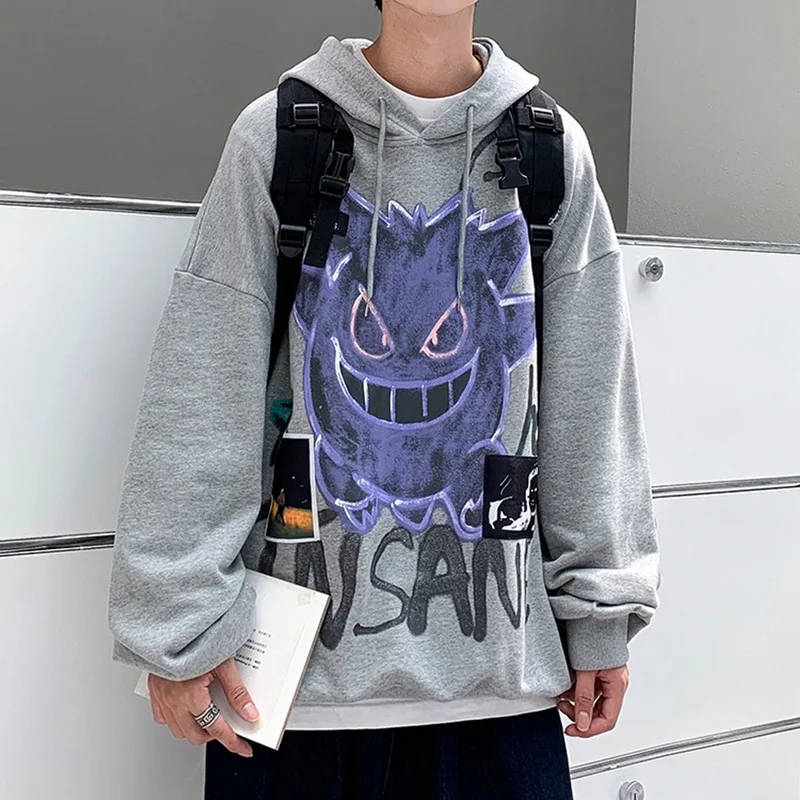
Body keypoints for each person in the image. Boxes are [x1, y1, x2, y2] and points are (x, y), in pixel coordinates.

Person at [107, 1, 661, 797]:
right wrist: (177, 625)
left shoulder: (549, 152)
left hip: (500, 698)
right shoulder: (279, 138)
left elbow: (589, 402)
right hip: (294, 706)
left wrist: (600, 615)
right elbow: (204, 384)